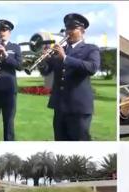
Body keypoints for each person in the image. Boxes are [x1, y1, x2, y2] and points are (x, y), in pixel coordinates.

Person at [38, 13, 100, 141]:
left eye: (72, 28)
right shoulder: (60, 49)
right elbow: (46, 72)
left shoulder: (90, 49)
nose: (68, 32)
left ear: (82, 31)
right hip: (60, 106)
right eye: (67, 28)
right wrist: (43, 61)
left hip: (79, 108)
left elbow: (92, 68)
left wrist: (65, 58)